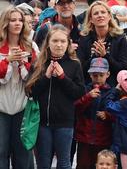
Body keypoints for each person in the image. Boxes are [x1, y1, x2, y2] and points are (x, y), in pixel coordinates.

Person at [25, 25, 86, 169]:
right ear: (48, 43)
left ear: (68, 44)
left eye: (63, 41)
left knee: (64, 162)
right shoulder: (39, 64)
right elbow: (30, 91)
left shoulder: (74, 64)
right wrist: (46, 77)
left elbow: (79, 93)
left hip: (65, 122)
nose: (59, 45)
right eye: (55, 41)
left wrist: (62, 77)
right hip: (42, 123)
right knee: (43, 162)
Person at [0, 6, 38, 169]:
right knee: (1, 151)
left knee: (22, 151)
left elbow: (35, 78)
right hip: (1, 107)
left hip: (23, 107)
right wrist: (7, 60)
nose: (17, 23)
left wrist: (23, 62)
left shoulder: (31, 46)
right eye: (13, 20)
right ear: (5, 23)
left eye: (20, 20)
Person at [74, 57, 114, 169]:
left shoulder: (112, 92)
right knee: (83, 165)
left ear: (108, 74)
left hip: (103, 139)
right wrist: (88, 97)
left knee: (102, 165)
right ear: (90, 75)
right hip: (84, 137)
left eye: (101, 75)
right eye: (95, 75)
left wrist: (108, 115)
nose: (98, 78)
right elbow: (76, 108)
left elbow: (117, 113)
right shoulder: (85, 90)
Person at [77, 1, 127, 86]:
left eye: (103, 12)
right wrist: (94, 56)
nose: (100, 15)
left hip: (113, 87)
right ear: (91, 19)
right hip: (89, 87)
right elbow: (80, 69)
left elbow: (123, 69)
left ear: (109, 16)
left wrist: (105, 55)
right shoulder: (84, 39)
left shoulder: (120, 38)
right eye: (96, 13)